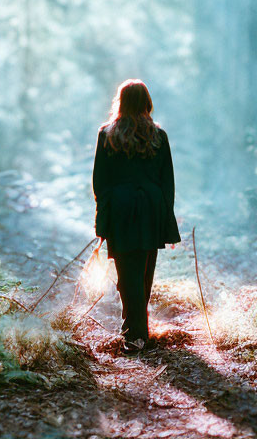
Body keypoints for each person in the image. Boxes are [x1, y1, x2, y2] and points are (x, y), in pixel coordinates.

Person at [92, 79, 180, 354]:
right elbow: (168, 182)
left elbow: (100, 182)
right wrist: (166, 216)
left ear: (121, 102)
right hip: (152, 207)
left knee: (127, 272)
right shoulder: (159, 136)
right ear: (146, 102)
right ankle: (137, 331)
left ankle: (134, 334)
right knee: (144, 272)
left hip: (120, 208)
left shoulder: (107, 134)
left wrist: (104, 213)